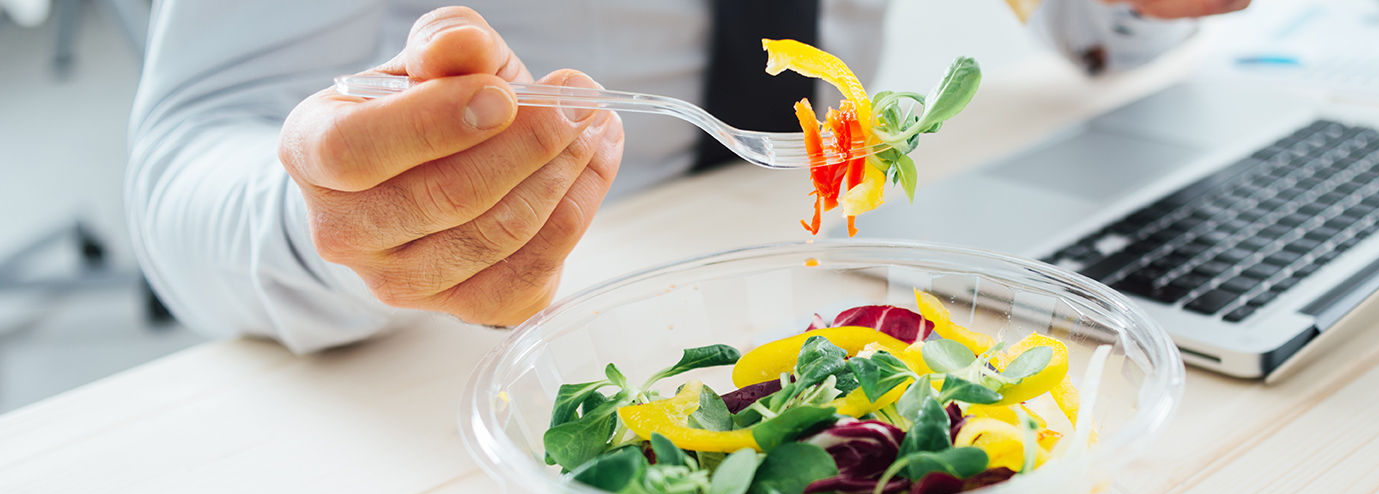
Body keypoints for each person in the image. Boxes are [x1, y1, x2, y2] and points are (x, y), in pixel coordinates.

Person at [125, 0, 1248, 354]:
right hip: (531, 338)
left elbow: (1082, 25)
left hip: (849, 258)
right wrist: (359, 217)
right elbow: (187, 158)